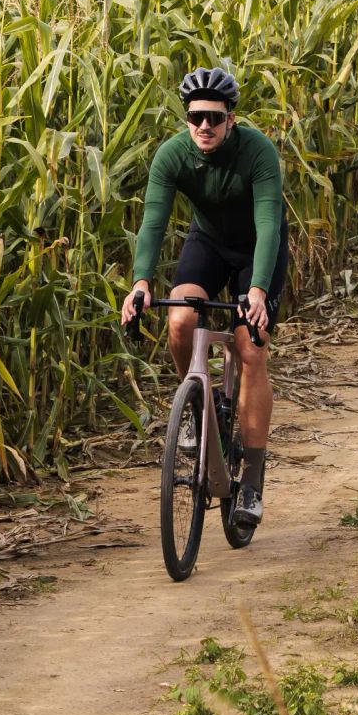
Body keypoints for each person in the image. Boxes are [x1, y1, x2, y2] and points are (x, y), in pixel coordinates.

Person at [123, 65, 288, 527]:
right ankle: (199, 405)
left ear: (231, 118)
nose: (204, 127)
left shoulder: (257, 152)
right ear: (186, 119)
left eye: (214, 118)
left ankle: (251, 483)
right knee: (179, 320)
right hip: (209, 244)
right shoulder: (172, 156)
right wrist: (140, 282)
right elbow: (153, 223)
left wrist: (255, 291)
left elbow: (270, 223)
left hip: (259, 249)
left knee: (250, 348)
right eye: (196, 117)